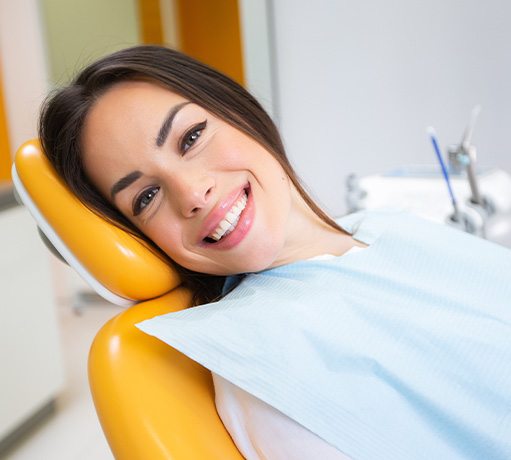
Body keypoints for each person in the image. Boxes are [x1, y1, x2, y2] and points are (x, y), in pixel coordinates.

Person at [39, 46, 511, 460]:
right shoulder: (270, 368)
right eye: (145, 197)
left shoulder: (387, 226)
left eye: (190, 137)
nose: (193, 193)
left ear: (237, 109)